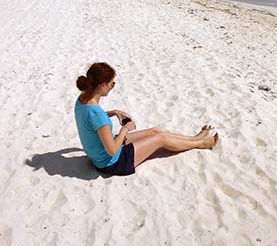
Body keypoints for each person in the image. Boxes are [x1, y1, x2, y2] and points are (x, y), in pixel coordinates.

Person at [75, 62, 218, 176]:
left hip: (100, 154)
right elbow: (112, 150)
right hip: (112, 162)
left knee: (155, 131)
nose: (113, 86)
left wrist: (114, 112)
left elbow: (91, 120)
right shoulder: (97, 114)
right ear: (102, 85)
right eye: (112, 83)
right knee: (160, 139)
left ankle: (194, 138)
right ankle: (199, 144)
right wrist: (126, 128)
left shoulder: (82, 100)